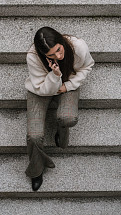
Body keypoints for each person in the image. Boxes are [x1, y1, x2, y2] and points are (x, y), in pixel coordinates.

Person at [24, 26, 95, 191]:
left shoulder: (78, 47)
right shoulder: (33, 57)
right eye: (51, 55)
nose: (58, 56)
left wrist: (68, 85)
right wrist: (55, 75)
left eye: (58, 50)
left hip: (67, 85)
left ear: (61, 41)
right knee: (34, 136)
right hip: (42, 88)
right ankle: (36, 170)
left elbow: (87, 66)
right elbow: (43, 89)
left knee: (68, 118)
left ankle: (60, 132)